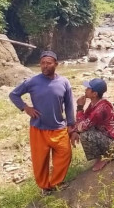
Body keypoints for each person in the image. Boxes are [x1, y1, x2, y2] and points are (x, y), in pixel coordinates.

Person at [9, 50, 76, 194]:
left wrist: (72, 125)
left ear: (56, 64)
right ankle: (45, 187)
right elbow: (14, 94)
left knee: (65, 155)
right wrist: (26, 108)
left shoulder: (64, 82)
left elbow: (70, 104)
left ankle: (56, 183)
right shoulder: (32, 81)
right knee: (40, 161)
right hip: (38, 129)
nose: (45, 66)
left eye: (49, 63)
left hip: (59, 128)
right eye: (42, 63)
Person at [74, 78, 114, 171]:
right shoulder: (95, 104)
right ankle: (103, 155)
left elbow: (82, 127)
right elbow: (83, 121)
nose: (85, 90)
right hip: (111, 138)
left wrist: (79, 107)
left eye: (88, 88)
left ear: (94, 94)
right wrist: (75, 130)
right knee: (85, 130)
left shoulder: (100, 109)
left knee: (85, 134)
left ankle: (107, 156)